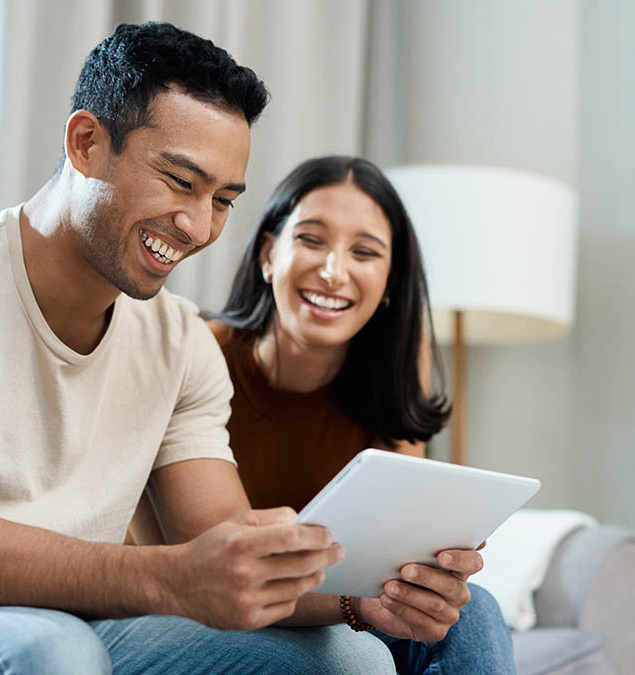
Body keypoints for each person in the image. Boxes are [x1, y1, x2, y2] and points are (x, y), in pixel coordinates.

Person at [0, 23, 484, 675]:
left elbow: (221, 549)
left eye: (224, 199)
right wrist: (170, 579)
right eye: (179, 180)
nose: (198, 226)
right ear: (86, 143)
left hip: (78, 624)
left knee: (350, 660)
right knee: (53, 652)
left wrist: (365, 601)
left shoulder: (179, 344)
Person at [211, 155, 518, 673]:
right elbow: (214, 570)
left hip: (345, 606)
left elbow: (398, 551)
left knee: (476, 611)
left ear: (390, 280)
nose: (334, 272)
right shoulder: (201, 353)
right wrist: (356, 604)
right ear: (268, 254)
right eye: (311, 239)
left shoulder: (398, 363)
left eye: (365, 252)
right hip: (232, 611)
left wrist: (433, 571)